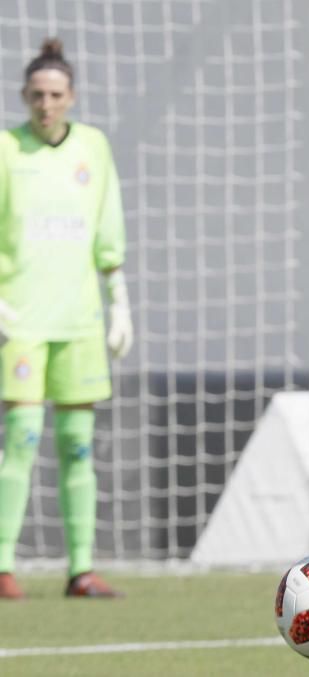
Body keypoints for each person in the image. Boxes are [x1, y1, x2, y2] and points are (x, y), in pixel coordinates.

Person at [0, 38, 133, 600]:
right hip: (21, 322)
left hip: (79, 321)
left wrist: (119, 297)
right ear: (24, 96)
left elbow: (108, 224)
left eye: (55, 94)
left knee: (78, 446)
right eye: (36, 95)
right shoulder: (7, 149)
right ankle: (3, 565)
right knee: (22, 438)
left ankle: (81, 569)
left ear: (71, 96)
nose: (45, 104)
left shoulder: (94, 148)